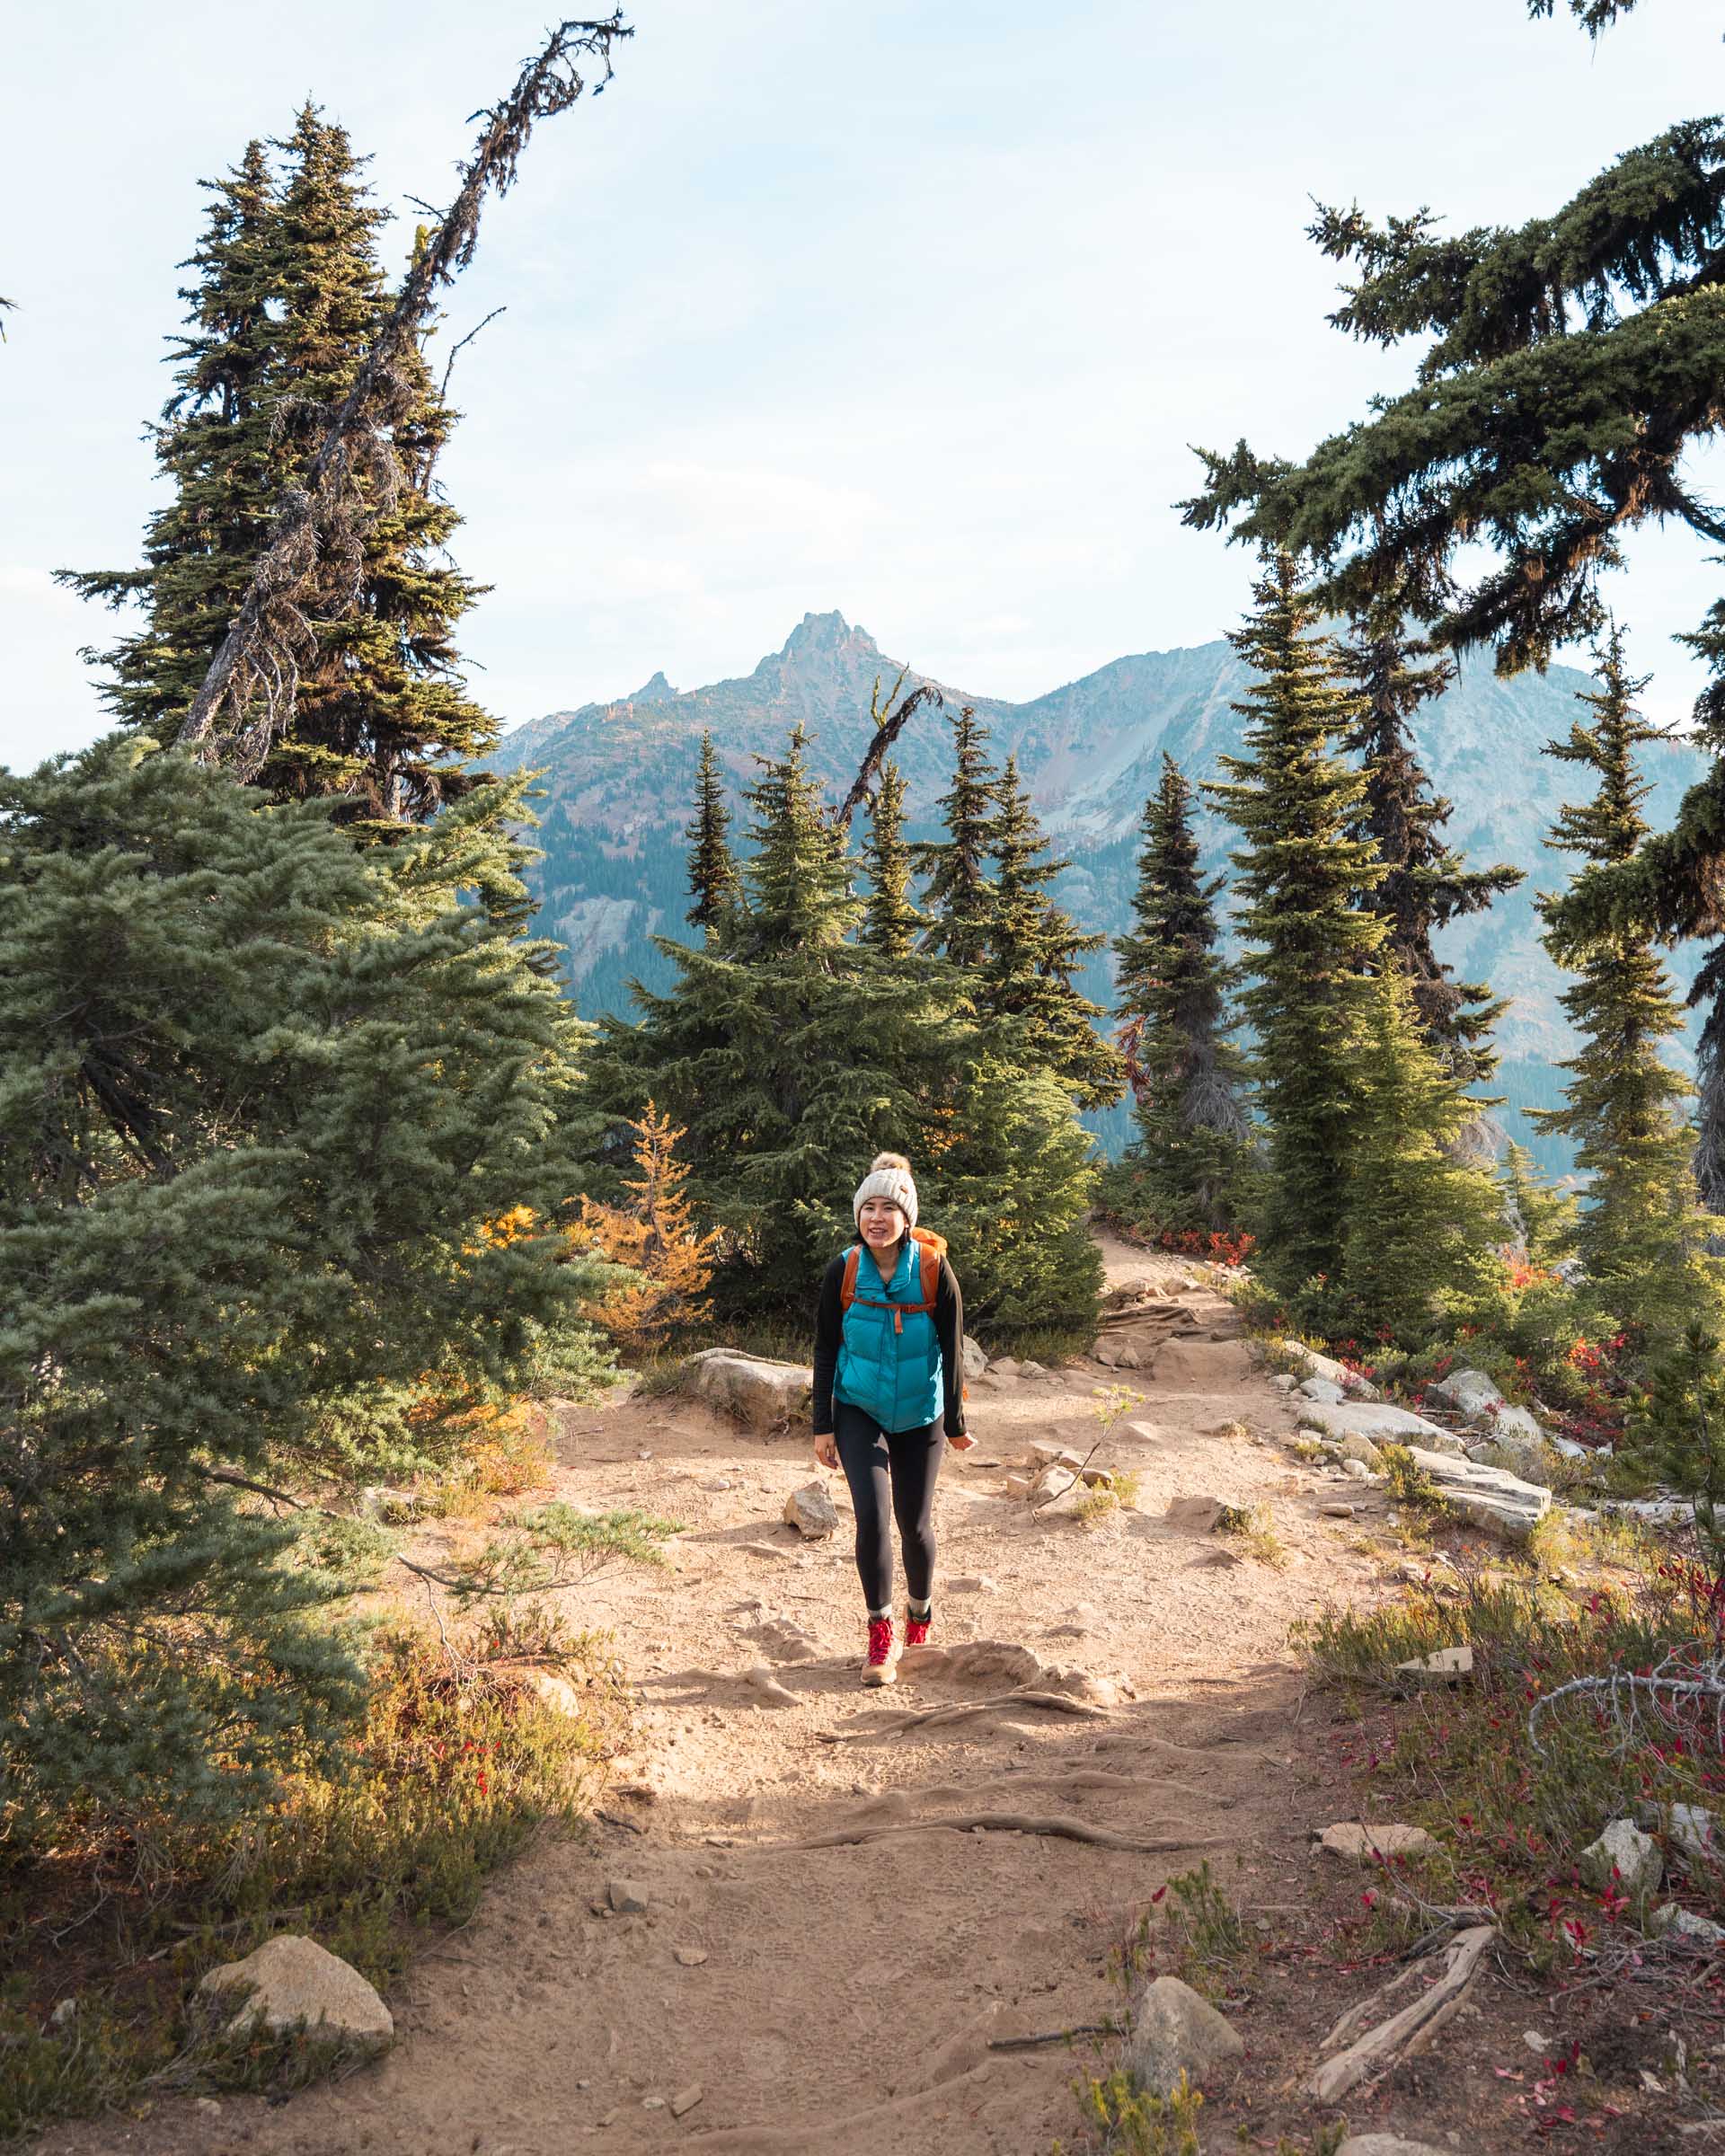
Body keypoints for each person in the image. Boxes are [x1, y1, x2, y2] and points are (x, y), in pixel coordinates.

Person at [811, 1152, 974, 1685]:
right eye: (867, 1208)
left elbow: (952, 1349)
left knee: (916, 1523)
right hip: (859, 1408)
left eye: (888, 1209)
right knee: (872, 1519)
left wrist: (954, 1421)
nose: (876, 1218)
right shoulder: (846, 1268)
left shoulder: (932, 1270)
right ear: (857, 1216)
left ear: (907, 1218)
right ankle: (880, 1637)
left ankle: (919, 1618)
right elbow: (825, 1349)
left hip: (919, 1414)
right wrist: (823, 1424)